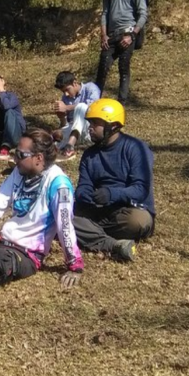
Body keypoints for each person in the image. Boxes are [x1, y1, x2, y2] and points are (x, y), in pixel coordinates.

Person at [0, 129, 84, 291]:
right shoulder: (19, 172)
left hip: (26, 255)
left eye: (20, 155)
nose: (14, 159)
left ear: (38, 158)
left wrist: (75, 266)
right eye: (15, 153)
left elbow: (65, 227)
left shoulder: (59, 185)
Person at [73, 99, 155, 261]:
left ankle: (90, 233)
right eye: (89, 123)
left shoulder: (136, 148)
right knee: (61, 216)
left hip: (128, 210)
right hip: (98, 210)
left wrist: (112, 194)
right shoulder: (89, 155)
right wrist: (86, 195)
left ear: (113, 125)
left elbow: (141, 189)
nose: (89, 128)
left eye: (95, 123)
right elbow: (83, 186)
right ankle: (114, 245)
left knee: (136, 222)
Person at [96, 0, 148, 104]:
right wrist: (104, 35)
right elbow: (105, 13)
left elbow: (143, 15)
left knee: (123, 68)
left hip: (127, 33)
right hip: (111, 35)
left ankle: (121, 103)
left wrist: (132, 35)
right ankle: (95, 102)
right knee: (102, 68)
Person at [51, 71, 101, 161]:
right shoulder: (65, 98)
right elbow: (68, 124)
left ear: (74, 83)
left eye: (67, 90)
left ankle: (70, 147)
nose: (66, 94)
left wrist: (67, 107)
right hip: (75, 132)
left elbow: (93, 106)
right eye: (63, 91)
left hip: (90, 130)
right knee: (54, 136)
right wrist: (62, 117)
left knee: (81, 107)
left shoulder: (91, 88)